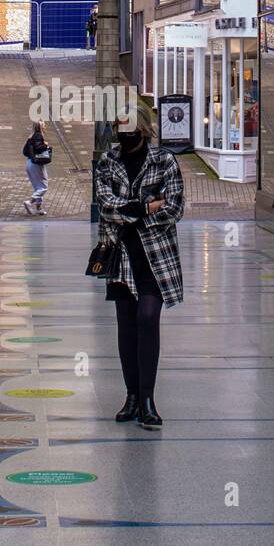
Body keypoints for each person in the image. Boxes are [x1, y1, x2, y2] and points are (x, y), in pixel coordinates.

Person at [94, 100, 184, 429]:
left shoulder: (164, 161)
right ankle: (132, 396)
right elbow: (106, 205)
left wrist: (131, 210)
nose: (122, 131)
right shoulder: (107, 162)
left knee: (148, 317)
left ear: (143, 128)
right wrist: (146, 206)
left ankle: (147, 398)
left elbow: (173, 208)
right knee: (127, 325)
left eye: (128, 125)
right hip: (120, 255)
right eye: (118, 125)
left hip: (155, 255)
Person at [22, 120, 50, 215]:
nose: (45, 127)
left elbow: (25, 151)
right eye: (44, 125)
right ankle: (30, 202)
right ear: (40, 127)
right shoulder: (38, 135)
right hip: (36, 164)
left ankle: (38, 208)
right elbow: (38, 148)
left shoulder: (31, 137)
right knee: (44, 186)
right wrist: (45, 145)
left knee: (38, 186)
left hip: (29, 162)